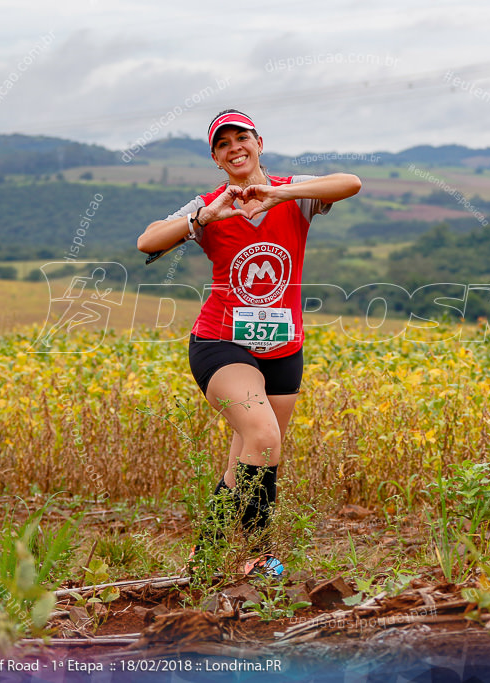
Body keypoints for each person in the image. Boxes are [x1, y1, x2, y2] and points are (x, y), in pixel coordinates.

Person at [137, 110, 361, 576]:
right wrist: (203, 216)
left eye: (242, 138)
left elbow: (350, 182)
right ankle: (258, 555)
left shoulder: (292, 194)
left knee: (254, 453)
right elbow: (148, 241)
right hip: (221, 341)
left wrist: (277, 193)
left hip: (283, 347)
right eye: (223, 144)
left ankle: (206, 555)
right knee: (262, 435)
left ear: (259, 142)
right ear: (216, 158)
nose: (234, 147)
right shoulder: (208, 204)